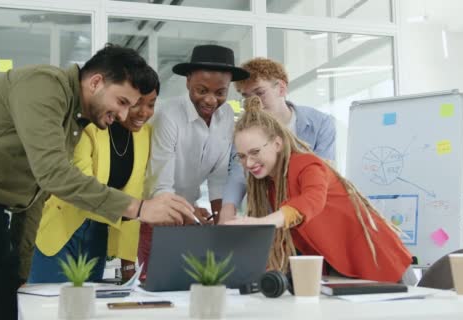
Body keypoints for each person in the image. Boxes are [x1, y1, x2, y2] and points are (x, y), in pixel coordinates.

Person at [0, 44, 194, 320]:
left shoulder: (73, 120)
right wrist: (140, 208)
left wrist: (20, 274)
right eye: (121, 102)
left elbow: (35, 196)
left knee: (4, 310)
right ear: (96, 82)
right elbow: (54, 174)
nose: (122, 115)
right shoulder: (44, 84)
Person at [225, 96, 413, 283]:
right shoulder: (271, 186)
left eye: (255, 152)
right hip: (339, 271)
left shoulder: (308, 165)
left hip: (380, 263)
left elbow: (312, 200)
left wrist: (263, 223)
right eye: (241, 156)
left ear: (277, 143)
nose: (248, 163)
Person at [30, 80, 160, 283]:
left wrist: (127, 260)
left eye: (151, 104)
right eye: (136, 104)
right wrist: (137, 209)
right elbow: (82, 187)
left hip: (99, 234)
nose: (144, 112)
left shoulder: (145, 135)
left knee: (88, 308)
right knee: (49, 307)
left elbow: (135, 194)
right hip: (64, 228)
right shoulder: (90, 127)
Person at [139, 44, 250, 273]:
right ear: (188, 80)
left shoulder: (226, 115)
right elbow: (162, 185)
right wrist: (190, 213)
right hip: (156, 214)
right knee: (154, 282)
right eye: (202, 90)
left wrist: (222, 224)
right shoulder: (168, 115)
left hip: (189, 214)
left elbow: (219, 177)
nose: (211, 100)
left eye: (220, 93)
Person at [220, 57, 336, 223]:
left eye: (260, 93)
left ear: (281, 88)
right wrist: (227, 209)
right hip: (269, 216)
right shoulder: (245, 131)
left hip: (311, 216)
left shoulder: (320, 123)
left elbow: (324, 174)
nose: (255, 102)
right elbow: (238, 173)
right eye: (247, 96)